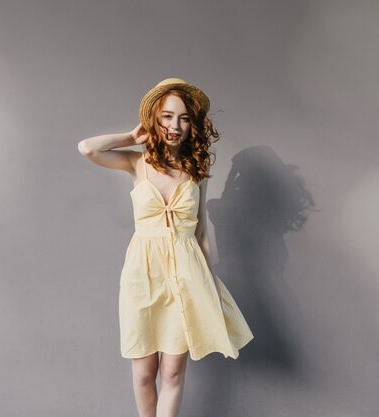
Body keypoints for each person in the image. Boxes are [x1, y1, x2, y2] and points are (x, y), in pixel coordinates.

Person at [78, 78, 254, 417]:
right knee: (144, 373)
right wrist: (131, 138)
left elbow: (201, 231)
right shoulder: (136, 162)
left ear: (193, 124)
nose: (176, 126)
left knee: (173, 372)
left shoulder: (196, 171)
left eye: (184, 118)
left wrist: (210, 285)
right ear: (155, 121)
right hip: (142, 276)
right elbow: (88, 148)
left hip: (187, 276)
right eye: (168, 117)